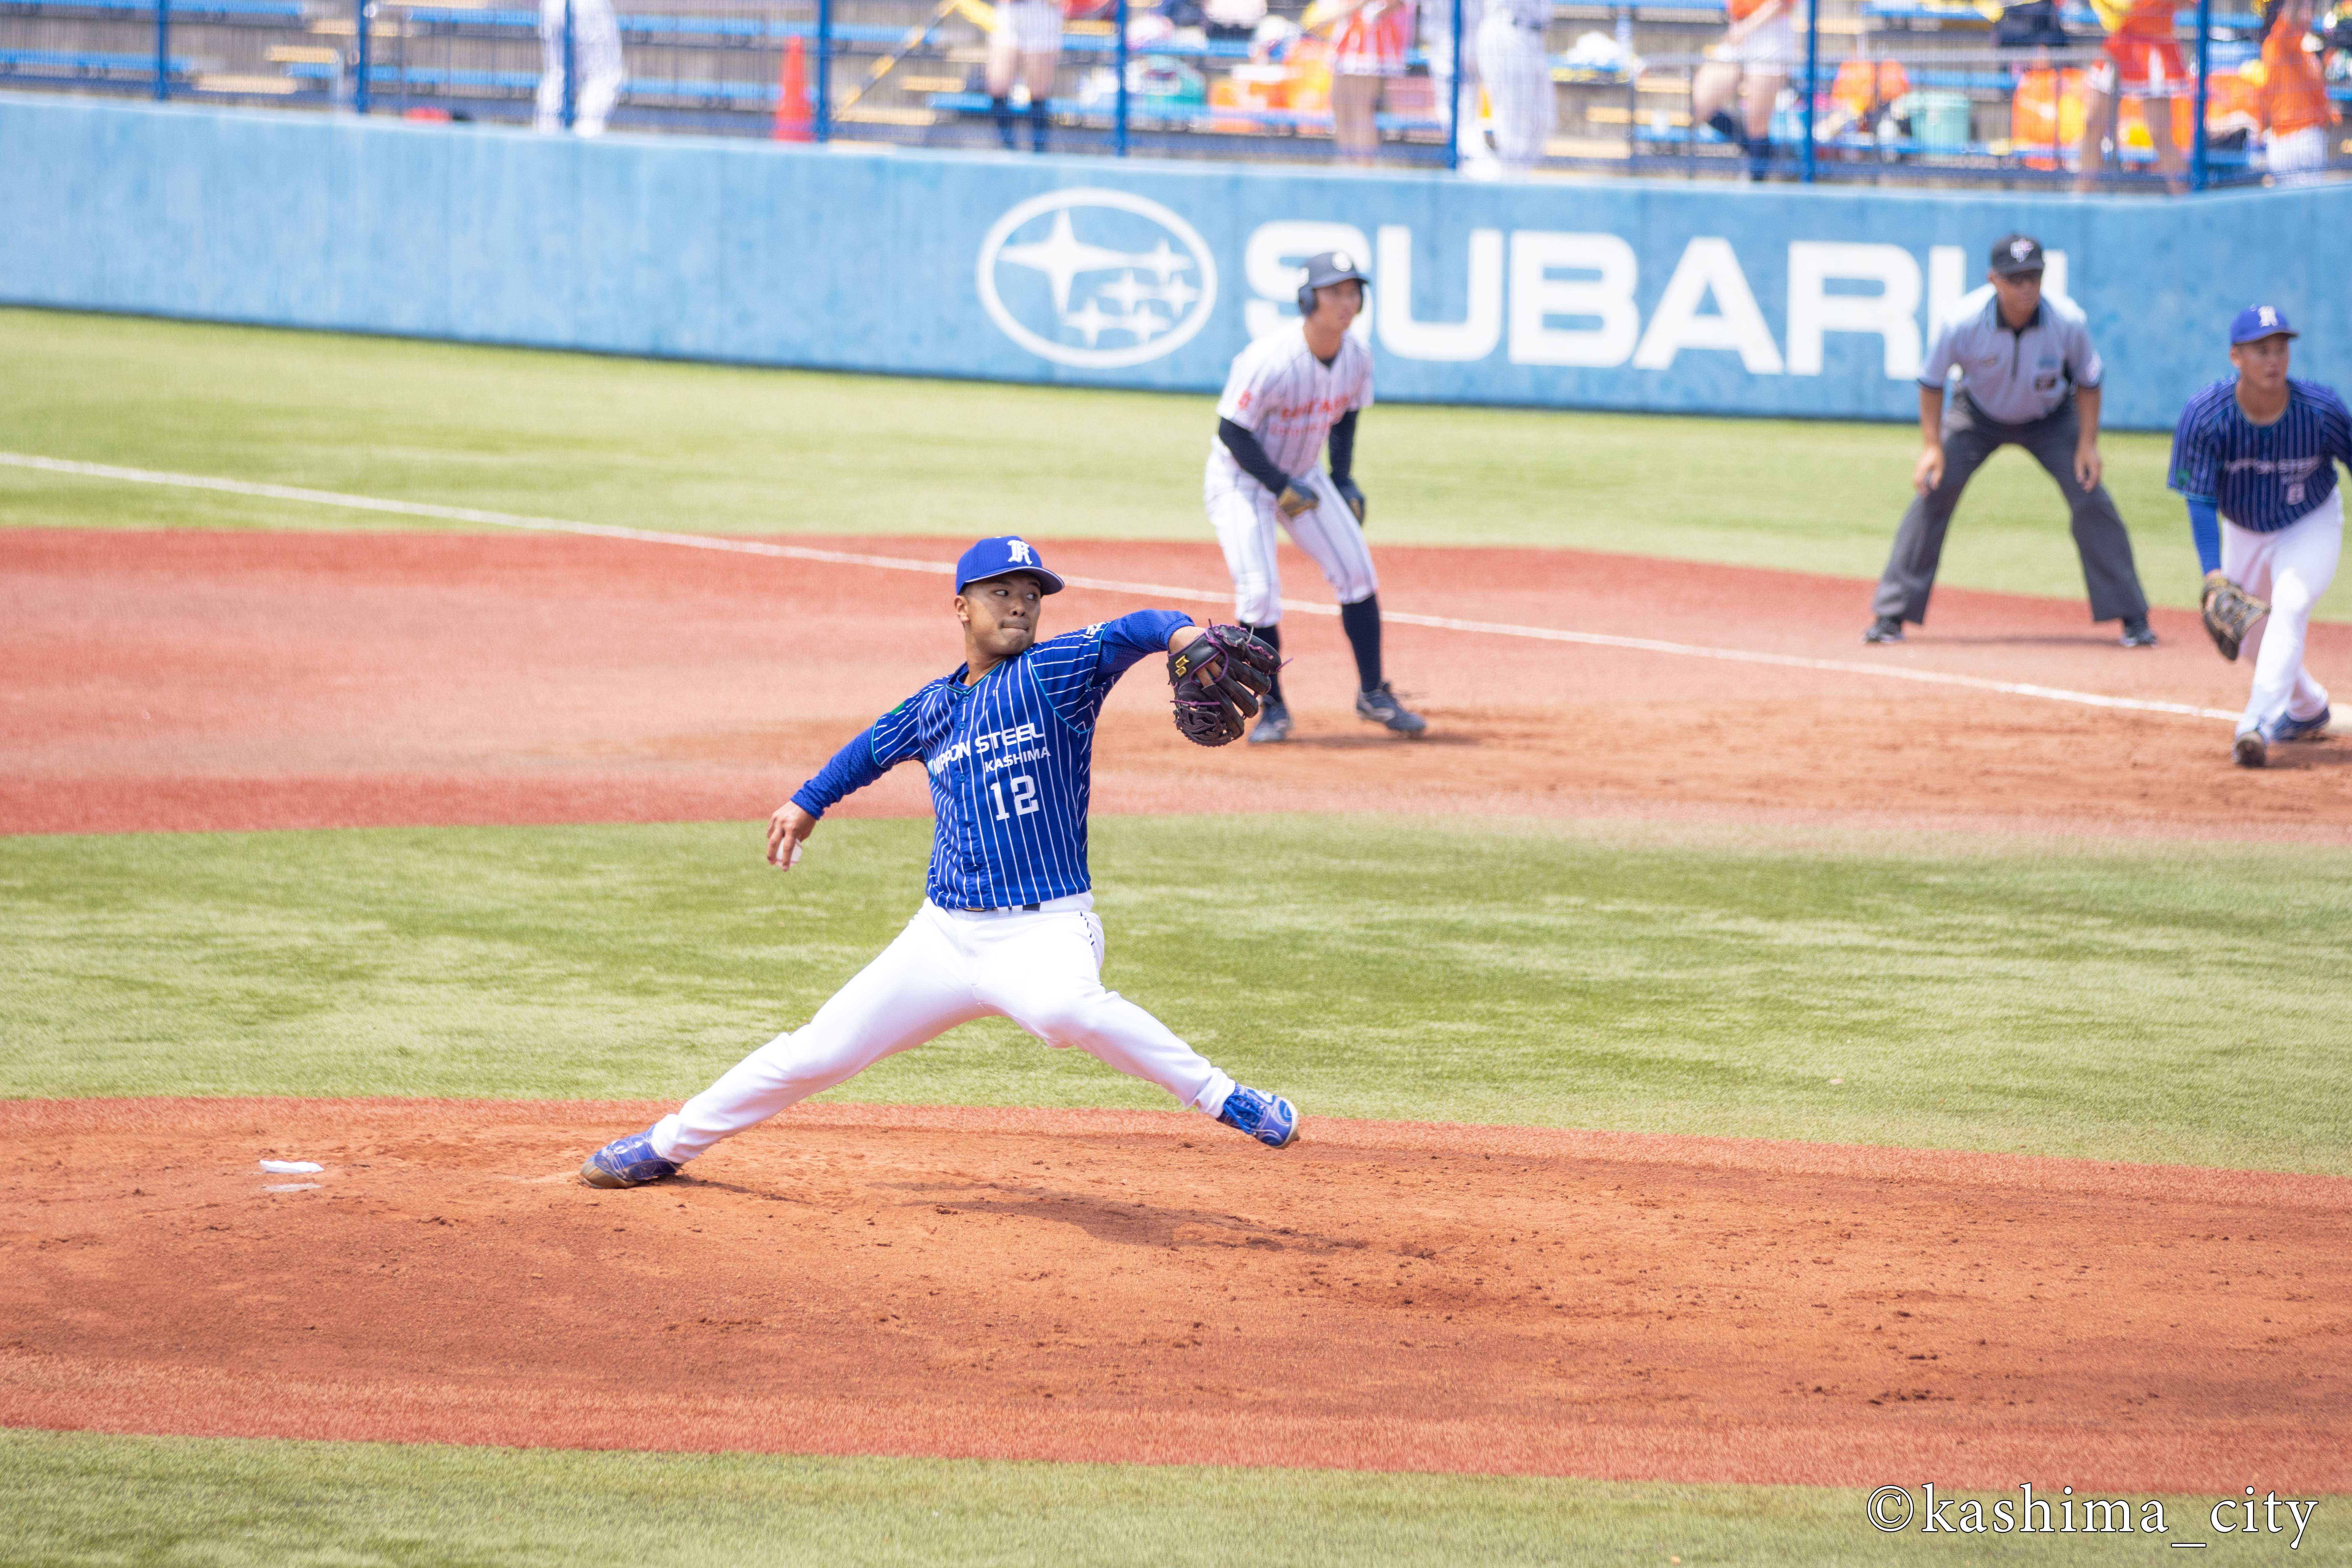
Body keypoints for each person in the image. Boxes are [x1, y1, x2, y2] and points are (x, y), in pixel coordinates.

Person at [578, 537, 1301, 1189]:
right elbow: (870, 748)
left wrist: (1179, 633)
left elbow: (1135, 629)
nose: (1020, 606)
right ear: (962, 607)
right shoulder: (935, 707)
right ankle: (666, 1145)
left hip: (1043, 931)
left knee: (1063, 1009)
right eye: (1002, 593)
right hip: (943, 936)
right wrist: (807, 802)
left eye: (1031, 596)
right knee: (817, 1052)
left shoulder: (1057, 672)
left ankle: (1227, 1098)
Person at [1864, 234, 2156, 649]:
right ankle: (1892, 613)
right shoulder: (1962, 321)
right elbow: (1931, 382)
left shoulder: (2067, 321)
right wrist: (1932, 446)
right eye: (2015, 278)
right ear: (1993, 280)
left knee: (2090, 496)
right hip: (1977, 416)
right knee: (1934, 490)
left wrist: (2088, 444)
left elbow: (2090, 383)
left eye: (2033, 276)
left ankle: (2134, 616)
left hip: (2052, 418)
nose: (2026, 287)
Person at [1205, 251, 1426, 744]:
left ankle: (1373, 694)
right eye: (1335, 292)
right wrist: (1279, 485)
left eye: (1353, 292)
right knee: (1259, 594)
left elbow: (1346, 418)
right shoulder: (1270, 359)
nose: (1346, 303)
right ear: (1309, 299)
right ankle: (1273, 708)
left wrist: (1342, 479)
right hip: (1241, 480)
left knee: (1357, 572)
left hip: (1303, 475)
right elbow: (1232, 432)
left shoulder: (1356, 355)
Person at [2168, 306, 2351, 767]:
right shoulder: (2206, 416)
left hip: (2310, 522)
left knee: (2290, 601)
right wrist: (2212, 574)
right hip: (2244, 528)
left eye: (2282, 348)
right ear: (2236, 356)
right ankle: (2307, 708)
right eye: (2261, 349)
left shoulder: (2320, 410)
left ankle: (2255, 725)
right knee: (2250, 637)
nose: (2274, 359)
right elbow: (2200, 499)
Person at [2077, 0, 2186, 192]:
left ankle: (2187, 201)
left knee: (2160, 134)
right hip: (2120, 43)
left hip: (2155, 43)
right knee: (2093, 122)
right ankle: (2081, 197)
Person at [1691, 0, 1796, 180]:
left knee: (1757, 123)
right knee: (1701, 106)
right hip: (1739, 27)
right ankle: (1763, 152)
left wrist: (1747, 28)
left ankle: (1755, 183)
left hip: (1771, 29)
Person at [1324, 0, 1416, 166]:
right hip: (1348, 35)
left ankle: (1363, 169)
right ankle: (1350, 165)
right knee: (1340, 106)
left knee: (1361, 109)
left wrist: (1373, 13)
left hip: (1370, 38)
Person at [2257, 0, 2339, 185]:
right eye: (2304, 8)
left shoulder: (2306, 53)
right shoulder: (2278, 45)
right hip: (2291, 140)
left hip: (2309, 139)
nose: (2309, 15)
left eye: (2311, 9)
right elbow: (2289, 18)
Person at [1476, 0, 1555, 174]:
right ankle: (1508, 185)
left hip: (1533, 35)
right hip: (1508, 30)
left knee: (1543, 120)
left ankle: (1517, 180)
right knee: (1514, 123)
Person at [534, 0, 624, 137]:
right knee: (603, 76)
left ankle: (544, 140)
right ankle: (585, 141)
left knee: (557, 75)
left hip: (552, 5)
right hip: (587, 5)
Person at [988, 0, 1064, 152]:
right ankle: (1008, 148)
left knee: (1038, 92)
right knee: (998, 85)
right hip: (1010, 14)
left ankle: (1039, 151)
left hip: (1042, 14)